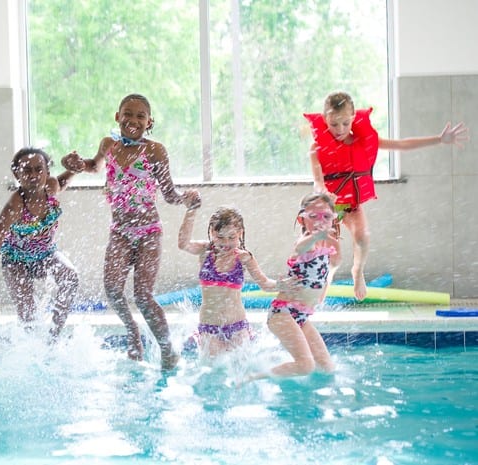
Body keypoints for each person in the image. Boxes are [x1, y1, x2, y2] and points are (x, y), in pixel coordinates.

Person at [62, 93, 201, 370]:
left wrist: (186, 198)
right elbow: (95, 166)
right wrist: (78, 166)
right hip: (120, 231)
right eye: (128, 113)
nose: (133, 120)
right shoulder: (109, 145)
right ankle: (132, 331)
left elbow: (169, 193)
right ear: (117, 116)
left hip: (149, 232)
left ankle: (166, 349)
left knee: (142, 295)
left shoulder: (155, 151)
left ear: (150, 122)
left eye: (140, 116)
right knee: (113, 290)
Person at [306, 91, 468, 300]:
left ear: (353, 117)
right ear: (325, 119)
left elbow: (401, 144)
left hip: (352, 207)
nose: (340, 130)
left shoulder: (363, 140)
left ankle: (358, 270)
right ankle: (326, 278)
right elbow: (318, 182)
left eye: (345, 123)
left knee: (363, 238)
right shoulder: (316, 148)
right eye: (334, 124)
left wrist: (439, 139)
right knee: (334, 259)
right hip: (328, 210)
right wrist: (324, 192)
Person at [0, 147, 79, 377]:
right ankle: (31, 356)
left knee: (70, 276)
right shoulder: (14, 206)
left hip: (45, 254)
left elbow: (64, 180)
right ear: (16, 175)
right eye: (26, 171)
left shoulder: (52, 187)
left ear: (47, 171)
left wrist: (74, 169)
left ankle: (53, 340)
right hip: (16, 260)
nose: (33, 175)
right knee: (27, 311)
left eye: (39, 169)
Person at [178, 205, 294, 357]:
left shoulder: (244, 257)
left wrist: (282, 285)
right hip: (209, 327)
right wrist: (191, 210)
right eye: (220, 237)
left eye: (231, 237)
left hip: (237, 327)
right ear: (212, 232)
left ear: (240, 233)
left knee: (241, 374)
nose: (226, 243)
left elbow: (265, 284)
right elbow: (183, 244)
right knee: (213, 371)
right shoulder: (205, 251)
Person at [251, 193, 341, 379]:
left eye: (325, 216)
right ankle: (253, 377)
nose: (319, 221)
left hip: (301, 316)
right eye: (313, 216)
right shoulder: (307, 244)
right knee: (305, 365)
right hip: (282, 313)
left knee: (327, 367)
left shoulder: (329, 246)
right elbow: (300, 247)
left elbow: (331, 268)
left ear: (334, 218)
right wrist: (320, 235)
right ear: (302, 219)